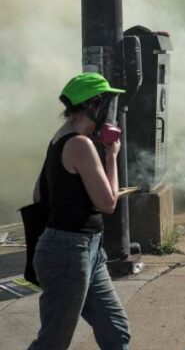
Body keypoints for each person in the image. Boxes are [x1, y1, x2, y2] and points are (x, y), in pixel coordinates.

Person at [29, 72, 131, 350]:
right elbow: (108, 203)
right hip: (69, 252)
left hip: (86, 249)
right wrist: (111, 156)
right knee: (53, 342)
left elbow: (39, 193)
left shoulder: (59, 138)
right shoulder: (81, 144)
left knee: (116, 329)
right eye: (107, 102)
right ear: (93, 105)